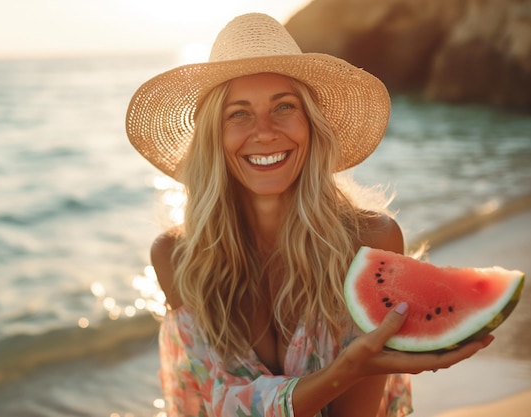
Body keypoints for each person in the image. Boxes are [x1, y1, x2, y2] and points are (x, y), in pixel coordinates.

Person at [126, 13, 493, 417]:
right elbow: (221, 405)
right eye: (239, 113)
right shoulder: (176, 257)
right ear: (215, 135)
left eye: (284, 107)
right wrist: (348, 368)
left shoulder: (371, 241)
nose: (264, 132)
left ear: (311, 125)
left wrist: (358, 370)